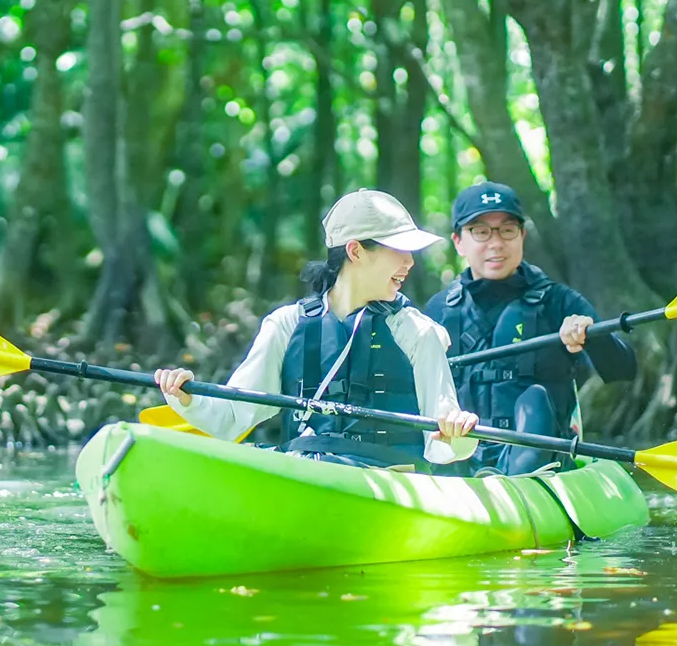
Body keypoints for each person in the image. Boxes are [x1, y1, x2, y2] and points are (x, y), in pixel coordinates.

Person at [152, 189, 479, 471]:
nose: (410, 262)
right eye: (399, 250)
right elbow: (233, 416)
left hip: (389, 481)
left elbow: (441, 444)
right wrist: (185, 397)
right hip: (305, 469)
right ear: (356, 251)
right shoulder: (285, 324)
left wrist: (457, 437)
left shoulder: (418, 333)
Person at [426, 182, 637, 477]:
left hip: (540, 462)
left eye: (507, 230)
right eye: (481, 231)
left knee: (535, 397)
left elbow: (623, 370)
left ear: (522, 235)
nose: (496, 243)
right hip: (462, 458)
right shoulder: (437, 311)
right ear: (459, 241)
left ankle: (518, 482)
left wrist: (592, 338)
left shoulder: (558, 301)